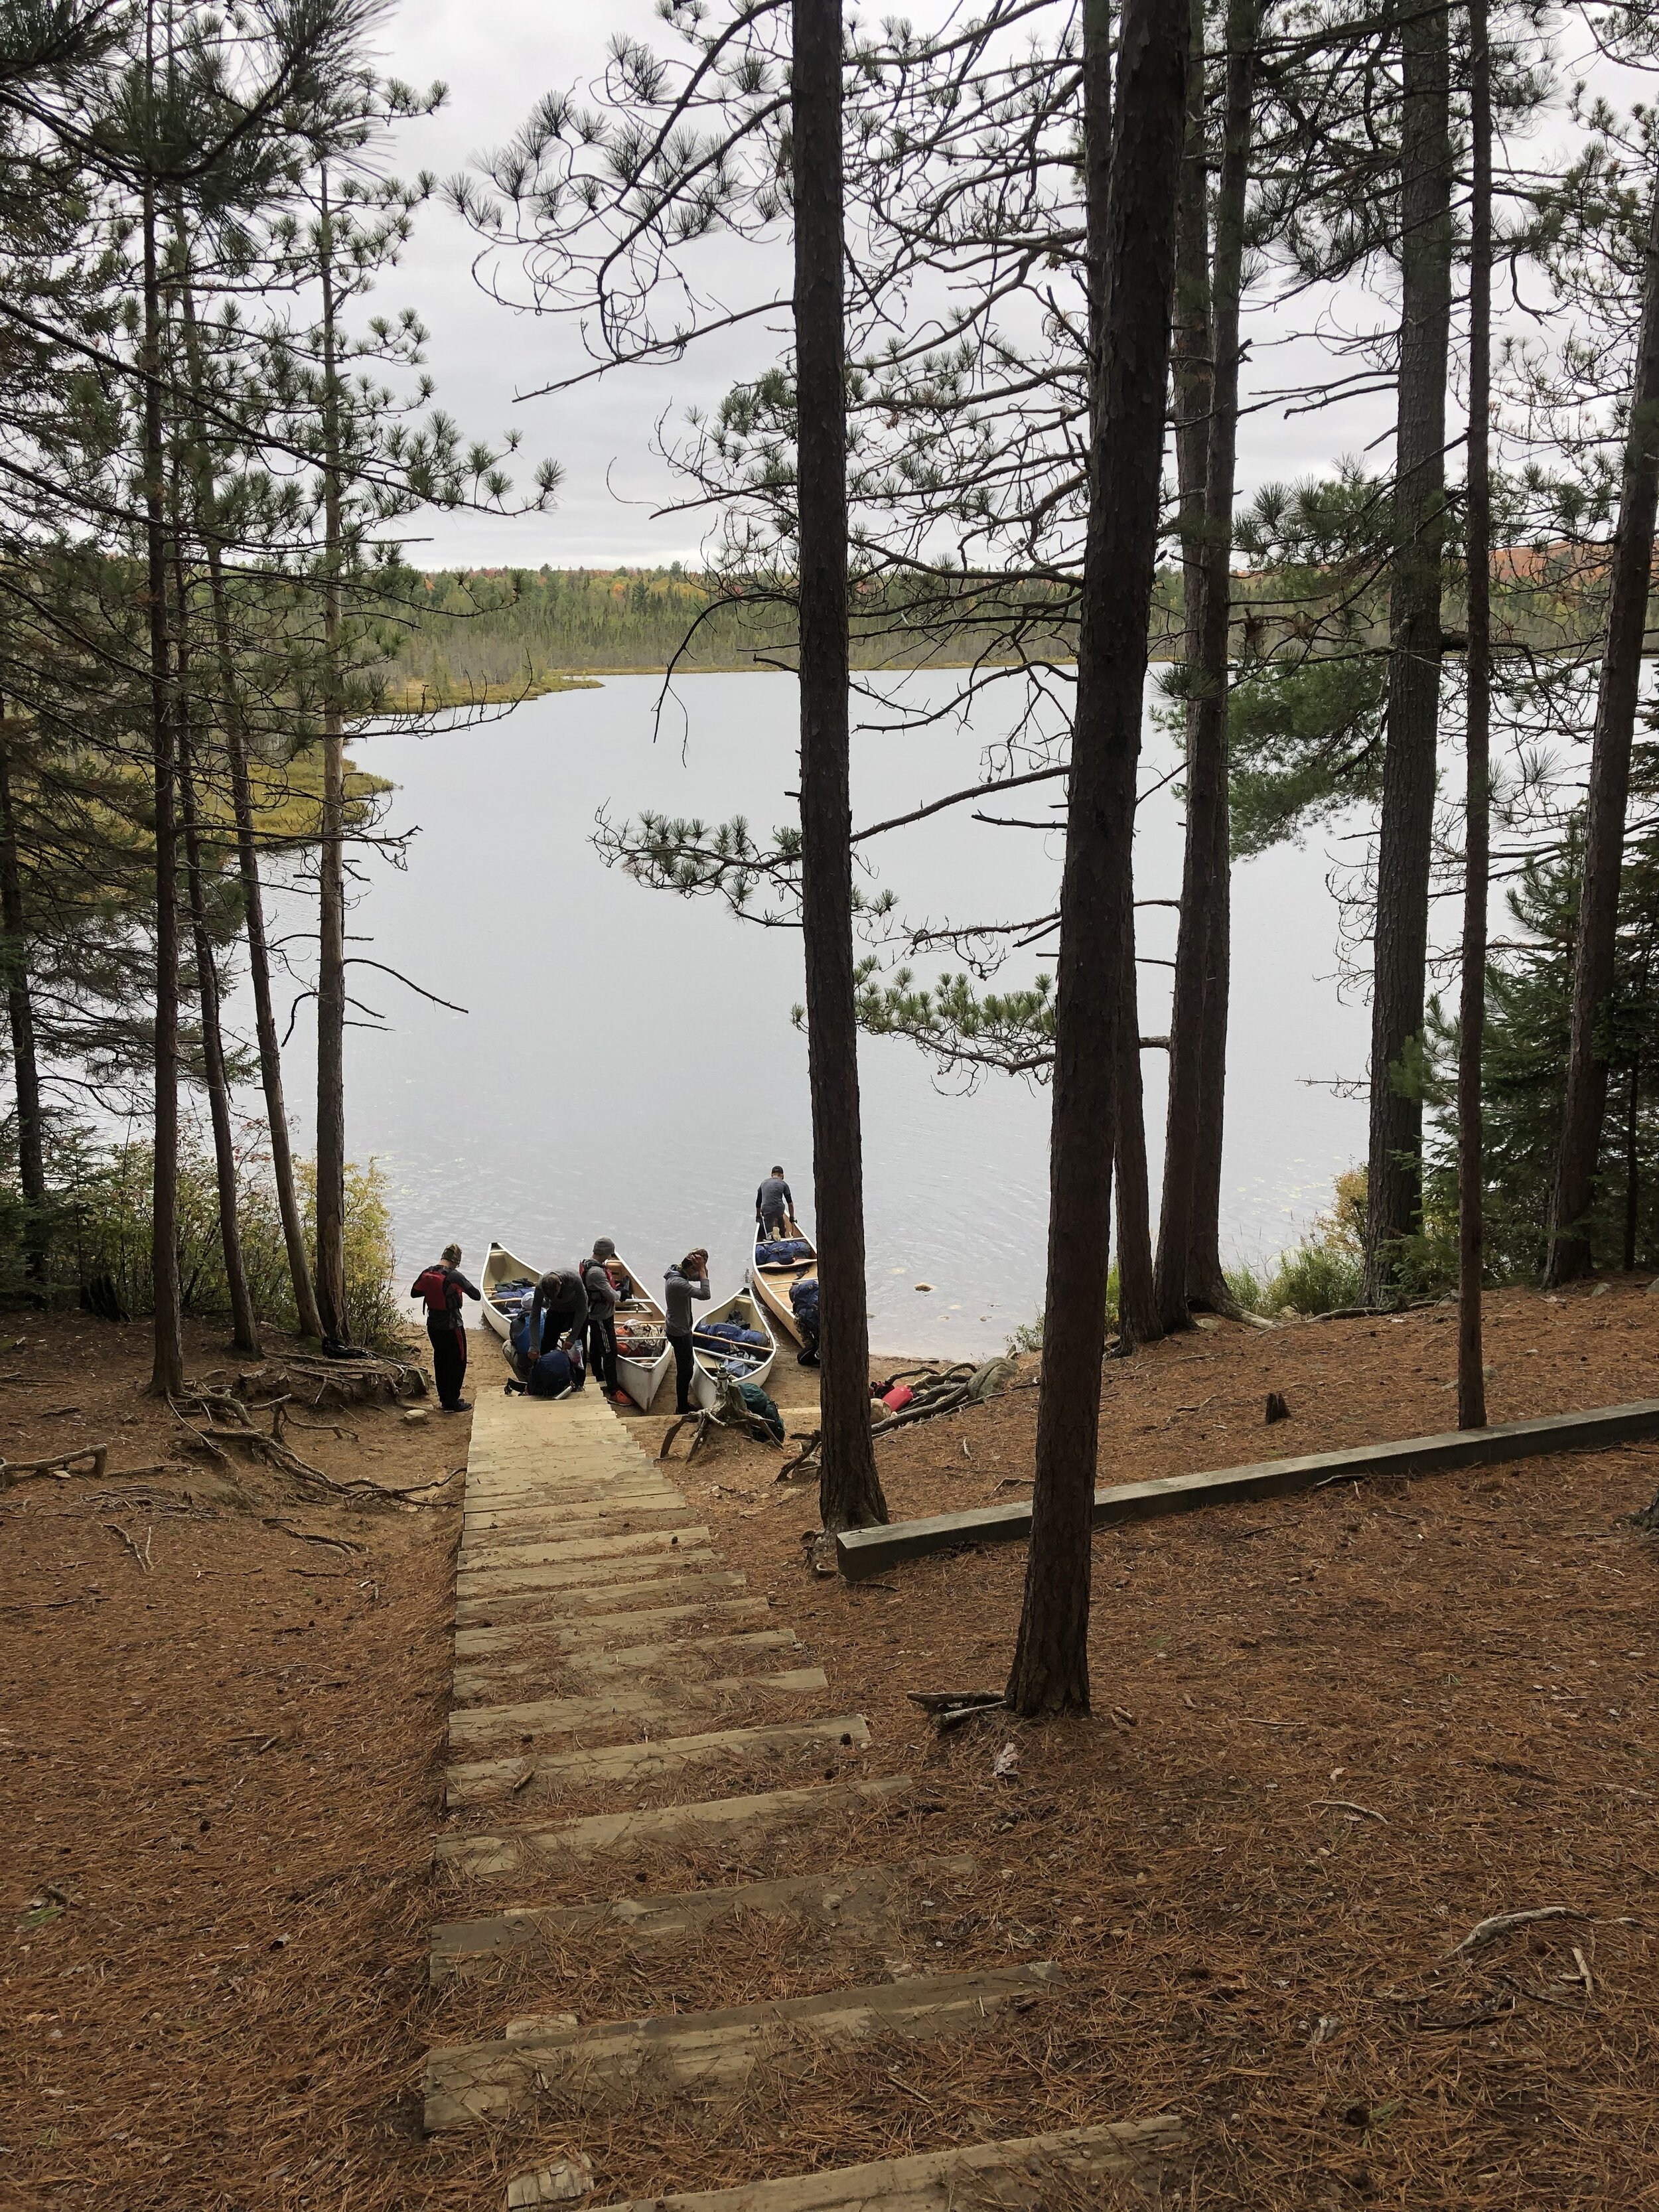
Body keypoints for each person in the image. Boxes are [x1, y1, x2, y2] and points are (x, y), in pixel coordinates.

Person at [410, 1243, 480, 1412]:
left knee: (440, 1360)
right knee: (458, 1361)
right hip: (452, 1325)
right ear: (456, 1261)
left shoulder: (427, 1272)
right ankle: (452, 1402)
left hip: (433, 1325)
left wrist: (434, 1292)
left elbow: (414, 1293)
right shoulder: (455, 1276)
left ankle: (445, 1399)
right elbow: (476, 1295)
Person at [663, 1248, 711, 1414]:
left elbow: (699, 1277)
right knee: (685, 1371)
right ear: (690, 1268)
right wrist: (702, 1270)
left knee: (686, 1365)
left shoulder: (676, 1271)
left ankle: (682, 1403)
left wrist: (702, 1268)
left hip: (675, 1326)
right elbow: (706, 1294)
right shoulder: (678, 1283)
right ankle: (681, 1407)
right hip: (680, 1332)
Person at [528, 1265, 589, 1386]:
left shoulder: (574, 1279)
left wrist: (572, 1337)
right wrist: (534, 1346)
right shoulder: (540, 1286)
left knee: (579, 1347)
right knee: (546, 1345)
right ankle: (543, 1379)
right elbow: (535, 1315)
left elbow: (583, 1309)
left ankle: (579, 1382)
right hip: (555, 1311)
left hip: (576, 1310)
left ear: (560, 1285)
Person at [583, 1237, 624, 1400]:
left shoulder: (590, 1265)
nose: (610, 1257)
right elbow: (613, 1296)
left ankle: (598, 1377)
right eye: (609, 1254)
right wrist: (623, 1293)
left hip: (596, 1314)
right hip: (601, 1316)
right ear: (605, 1253)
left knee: (595, 1345)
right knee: (609, 1350)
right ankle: (613, 1390)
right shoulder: (596, 1272)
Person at [790, 1273, 820, 1366]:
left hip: (831, 1344)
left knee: (802, 1358)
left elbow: (808, 1341)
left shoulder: (800, 1316)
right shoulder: (823, 1294)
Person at [756, 1166, 793, 1240]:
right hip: (779, 1210)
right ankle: (782, 1233)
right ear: (782, 1175)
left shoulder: (763, 1183)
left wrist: (758, 1216)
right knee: (780, 1219)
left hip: (766, 1210)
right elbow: (790, 1204)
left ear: (772, 1174)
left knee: (769, 1234)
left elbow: (758, 1202)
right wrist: (792, 1218)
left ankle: (770, 1236)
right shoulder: (784, 1184)